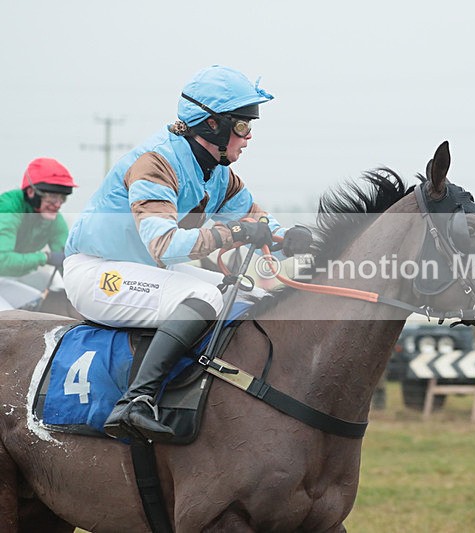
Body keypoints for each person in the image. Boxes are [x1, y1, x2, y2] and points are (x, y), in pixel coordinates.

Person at [63, 65, 312, 443]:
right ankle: (136, 400)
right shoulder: (156, 163)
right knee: (205, 296)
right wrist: (236, 233)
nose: (248, 138)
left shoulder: (216, 172)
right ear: (212, 125)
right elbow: (165, 244)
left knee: (252, 296)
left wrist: (284, 235)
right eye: (243, 127)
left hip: (144, 274)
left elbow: (252, 216)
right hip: (99, 274)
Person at [0, 158, 77, 311]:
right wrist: (46, 258)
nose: (58, 204)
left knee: (38, 306)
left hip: (5, 279)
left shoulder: (55, 220)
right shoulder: (8, 208)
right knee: (9, 317)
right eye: (53, 197)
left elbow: (68, 262)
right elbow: (2, 261)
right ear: (31, 192)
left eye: (62, 198)